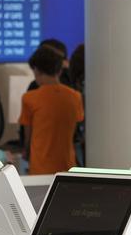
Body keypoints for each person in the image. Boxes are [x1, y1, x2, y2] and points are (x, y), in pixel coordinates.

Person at [19, 46, 83, 174]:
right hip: (67, 165)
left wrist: (26, 152)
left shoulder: (29, 98)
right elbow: (77, 124)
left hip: (40, 167)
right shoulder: (75, 96)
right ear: (59, 70)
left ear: (36, 70)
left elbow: (28, 135)